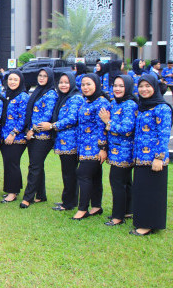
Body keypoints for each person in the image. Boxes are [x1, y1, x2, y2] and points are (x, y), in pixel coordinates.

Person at [131, 74, 173, 236]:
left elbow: (164, 135)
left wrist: (159, 158)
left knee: (152, 192)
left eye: (148, 86)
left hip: (154, 159)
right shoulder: (142, 107)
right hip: (140, 158)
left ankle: (148, 225)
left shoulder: (162, 108)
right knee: (141, 191)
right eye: (141, 86)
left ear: (155, 87)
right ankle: (142, 221)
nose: (144, 89)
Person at [37, 72, 85, 212]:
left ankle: (68, 203)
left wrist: (52, 126)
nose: (63, 85)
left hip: (70, 142)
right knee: (67, 172)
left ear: (72, 83)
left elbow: (71, 119)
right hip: (63, 142)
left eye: (66, 82)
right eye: (61, 82)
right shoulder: (63, 97)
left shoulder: (75, 98)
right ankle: (68, 200)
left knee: (69, 173)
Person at [99, 75, 138, 226]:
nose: (117, 89)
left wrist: (108, 122)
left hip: (124, 151)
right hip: (115, 149)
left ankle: (117, 217)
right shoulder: (114, 103)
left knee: (117, 182)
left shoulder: (130, 105)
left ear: (128, 87)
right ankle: (128, 210)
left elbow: (127, 129)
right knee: (125, 182)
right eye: (115, 85)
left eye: (121, 86)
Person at [72, 74, 110, 220]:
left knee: (83, 174)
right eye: (83, 85)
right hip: (84, 145)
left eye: (89, 84)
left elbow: (103, 128)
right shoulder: (86, 101)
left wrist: (103, 148)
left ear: (97, 85)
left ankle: (82, 209)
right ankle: (96, 206)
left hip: (95, 147)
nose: (85, 87)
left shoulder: (101, 103)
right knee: (95, 176)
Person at [20, 68, 58, 208]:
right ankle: (41, 195)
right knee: (38, 165)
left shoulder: (51, 94)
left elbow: (46, 116)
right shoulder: (38, 91)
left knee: (34, 166)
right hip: (33, 135)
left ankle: (27, 198)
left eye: (45, 76)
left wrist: (33, 130)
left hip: (43, 136)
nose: (41, 78)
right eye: (40, 75)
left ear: (50, 78)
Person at [0, 70, 29, 203]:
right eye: (10, 79)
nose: (12, 82)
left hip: (16, 137)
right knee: (7, 163)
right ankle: (10, 189)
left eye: (15, 80)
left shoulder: (23, 97)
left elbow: (23, 118)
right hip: (4, 136)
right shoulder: (6, 95)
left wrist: (13, 133)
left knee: (12, 163)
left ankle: (13, 192)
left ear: (21, 81)